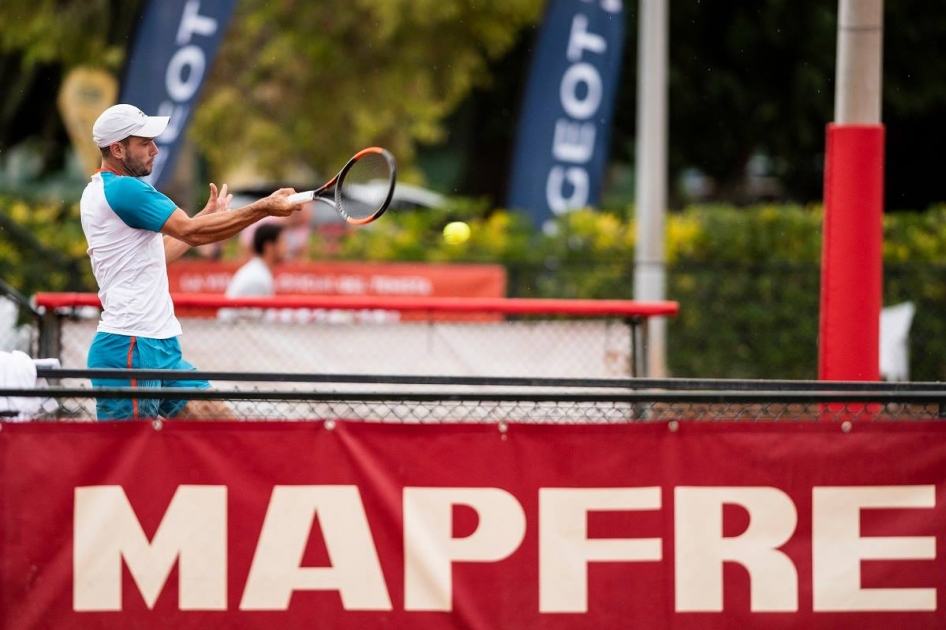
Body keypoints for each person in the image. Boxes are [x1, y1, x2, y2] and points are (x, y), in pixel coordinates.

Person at [79, 103, 300, 420]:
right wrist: (264, 208)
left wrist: (202, 219)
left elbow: (162, 251)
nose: (154, 150)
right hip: (129, 348)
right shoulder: (125, 190)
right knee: (130, 463)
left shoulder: (101, 190)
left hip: (158, 347)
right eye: (144, 143)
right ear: (117, 149)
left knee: (221, 428)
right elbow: (193, 234)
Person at [218, 223, 286, 322]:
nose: (286, 247)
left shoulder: (258, 271)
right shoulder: (256, 277)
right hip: (235, 335)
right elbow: (251, 326)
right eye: (282, 241)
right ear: (269, 247)